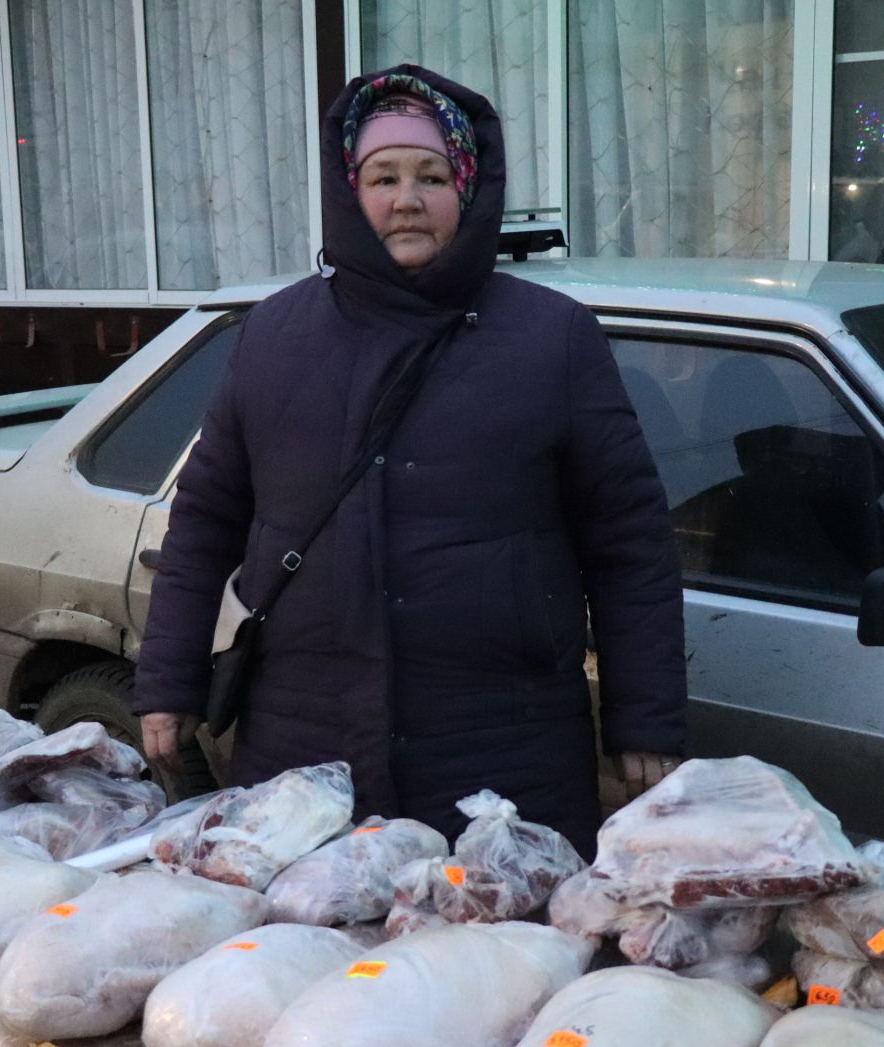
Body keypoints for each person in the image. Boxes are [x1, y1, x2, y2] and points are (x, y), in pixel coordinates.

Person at [133, 64, 685, 859]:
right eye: (382, 176)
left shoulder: (552, 338)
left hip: (506, 752)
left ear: (468, 188)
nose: (406, 199)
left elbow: (629, 542)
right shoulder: (274, 337)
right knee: (310, 968)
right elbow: (204, 524)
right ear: (348, 190)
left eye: (432, 176)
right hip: (305, 750)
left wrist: (647, 718)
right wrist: (170, 683)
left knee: (502, 967)